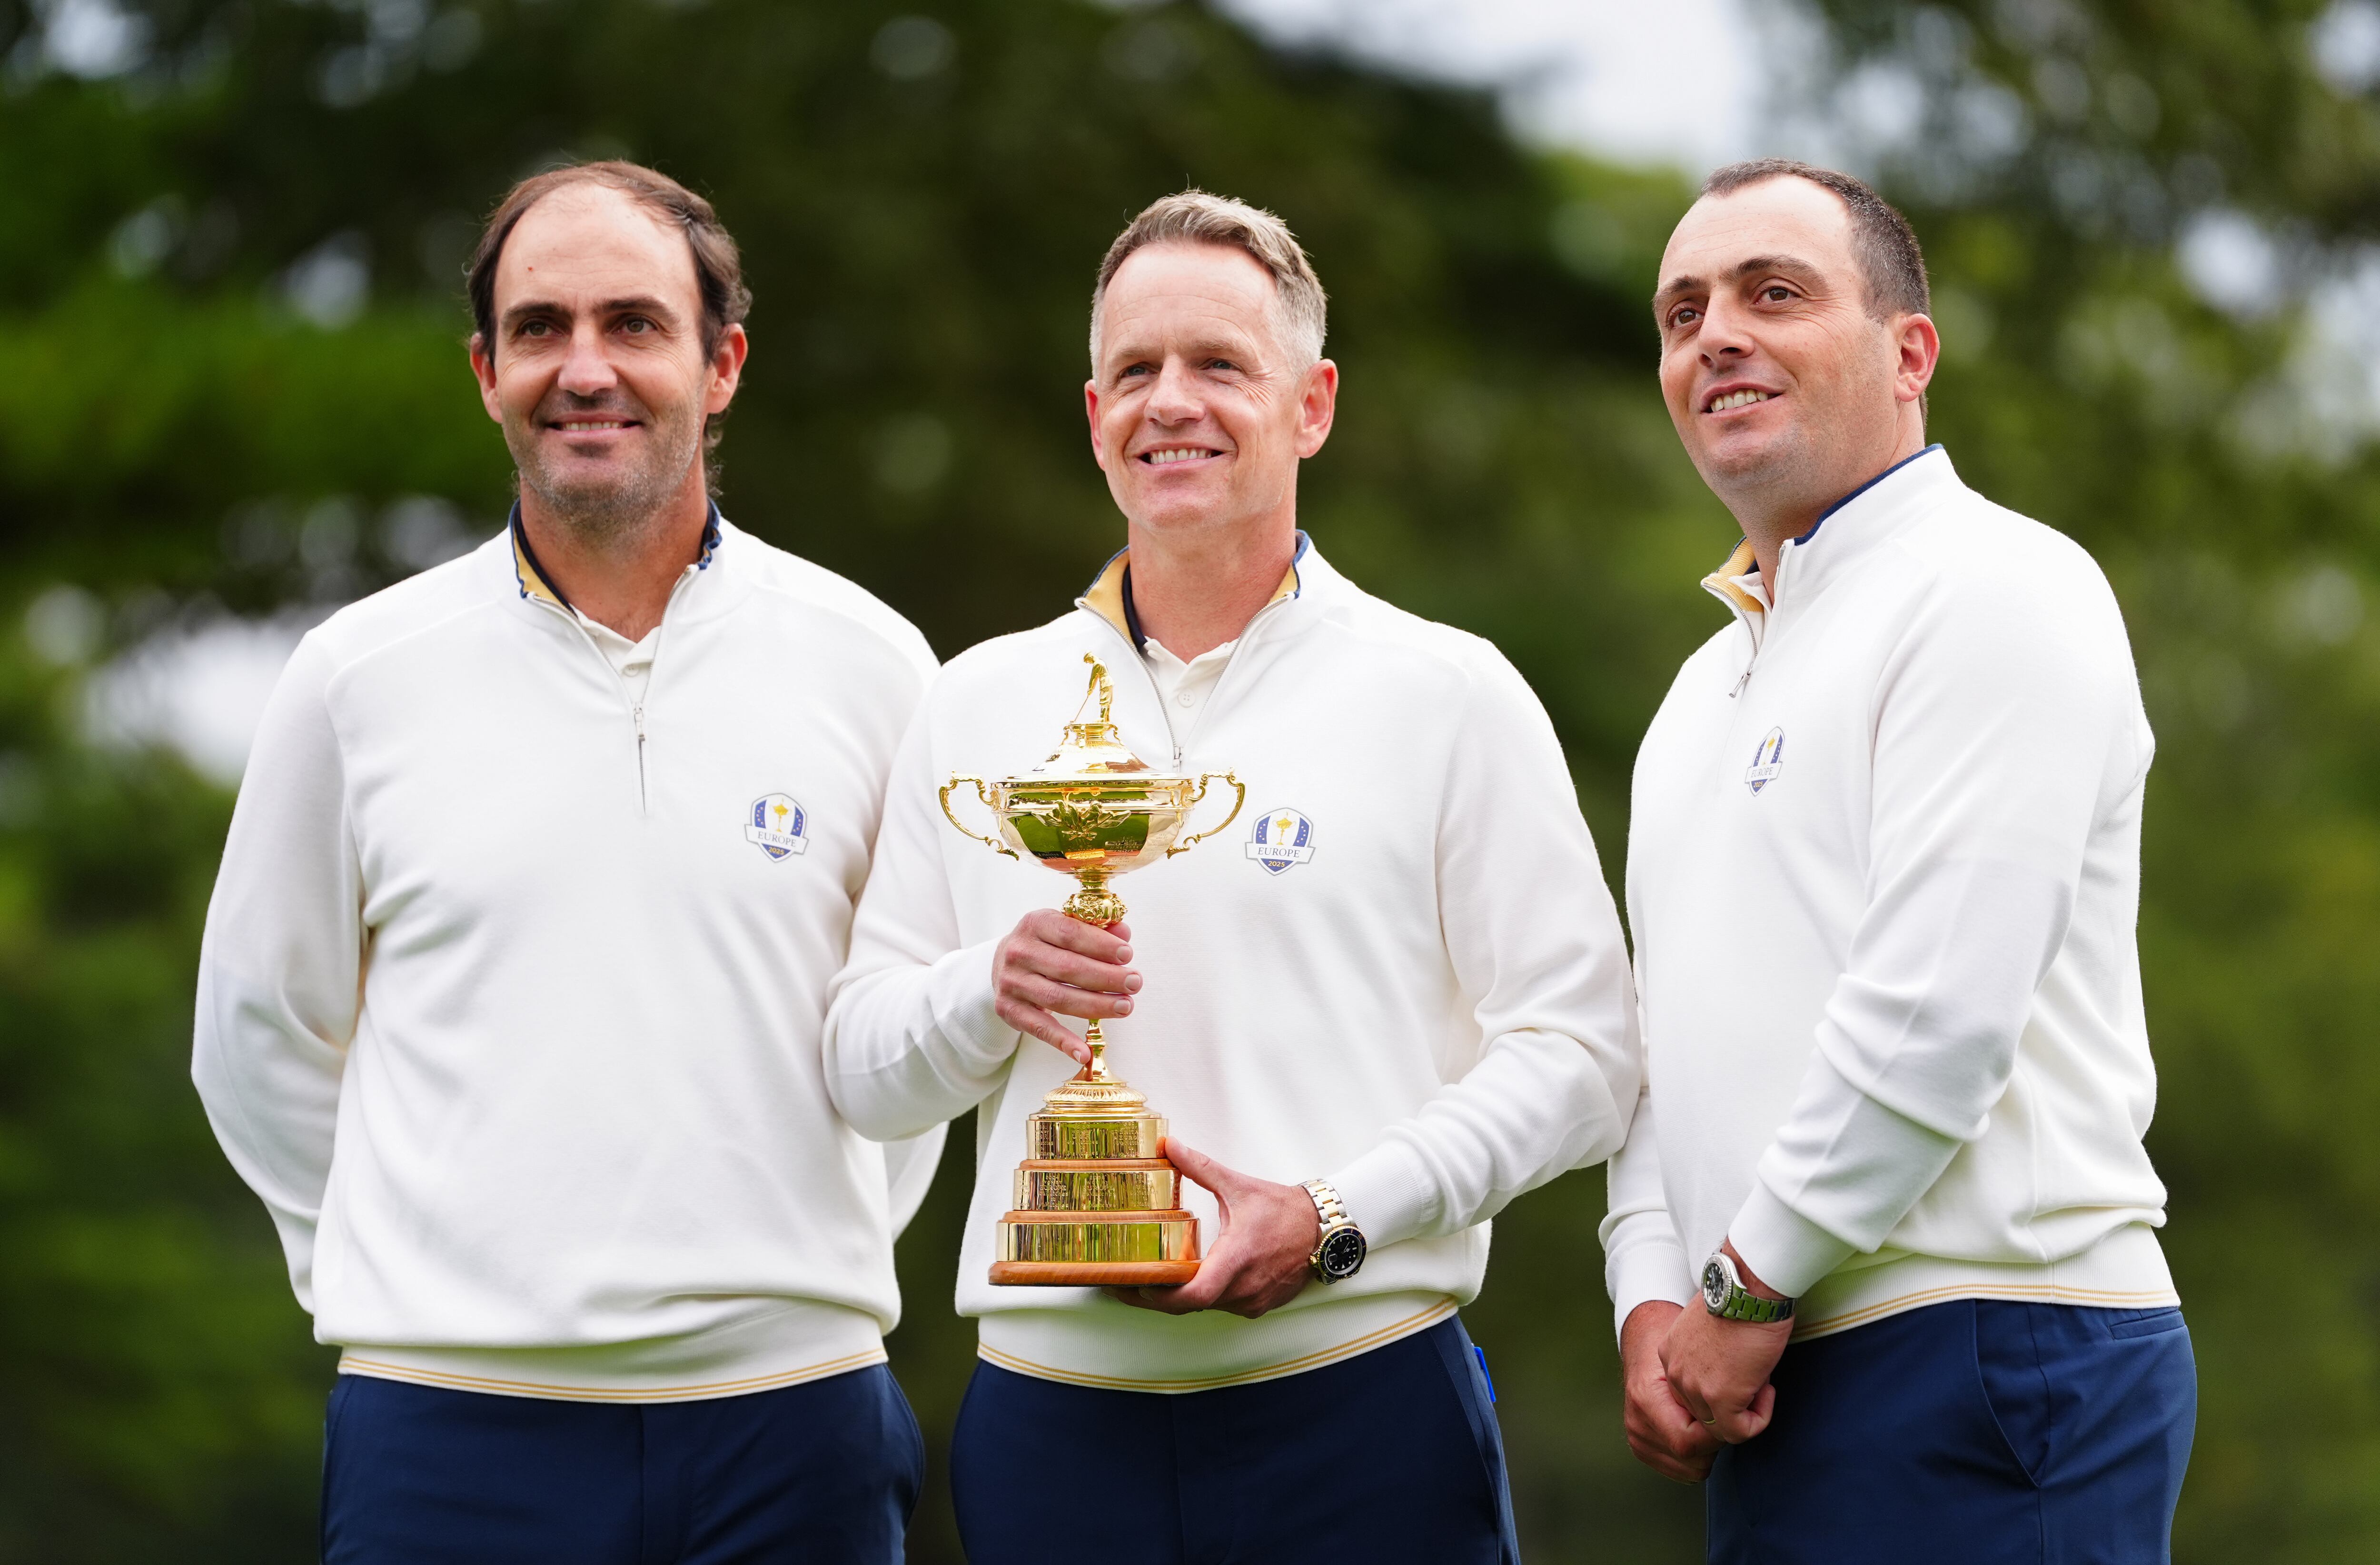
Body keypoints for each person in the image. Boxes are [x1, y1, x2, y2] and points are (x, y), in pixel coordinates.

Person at [824, 190, 1640, 1565]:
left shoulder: (1448, 692)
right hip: (1049, 1425)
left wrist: (1334, 1218)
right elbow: (860, 1069)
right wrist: (987, 990)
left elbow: (1586, 1055)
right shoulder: (975, 703)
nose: (1171, 404)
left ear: (1313, 404)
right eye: (1135, 371)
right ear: (1093, 417)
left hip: (1363, 1409)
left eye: (1219, 365)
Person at [193, 160, 943, 1564]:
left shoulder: (876, 666)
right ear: (486, 371)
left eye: (633, 325)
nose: (583, 369)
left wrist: (787, 1271)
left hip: (794, 1426)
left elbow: (906, 1046)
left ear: (720, 365)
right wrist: (409, 1269)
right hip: (450, 1435)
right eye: (541, 329)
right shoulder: (355, 677)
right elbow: (257, 1035)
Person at [1602, 158, 2196, 1562]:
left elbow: (1938, 1013)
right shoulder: (1701, 691)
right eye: (1683, 313)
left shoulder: (1999, 584)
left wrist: (1739, 1298)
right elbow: (1659, 1047)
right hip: (1765, 1366)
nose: (1717, 336)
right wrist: (1651, 1305)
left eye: (1776, 293)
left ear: (1908, 351)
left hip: (1996, 1342)